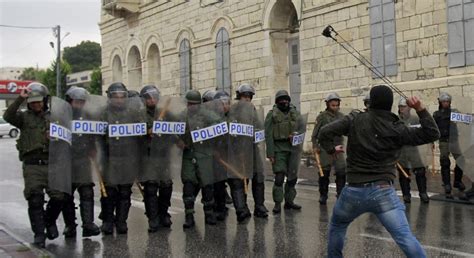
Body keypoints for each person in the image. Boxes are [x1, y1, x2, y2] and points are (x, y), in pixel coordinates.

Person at [318, 85, 439, 257]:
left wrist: (331, 149)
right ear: (390, 104)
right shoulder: (397, 128)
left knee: (338, 226)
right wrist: (420, 109)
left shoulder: (355, 119)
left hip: (353, 190)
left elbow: (324, 132)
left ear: (371, 102)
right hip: (383, 191)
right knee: (404, 237)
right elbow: (432, 133)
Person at [4, 82, 65, 247]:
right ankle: (39, 234)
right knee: (35, 199)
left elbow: (68, 137)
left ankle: (49, 222)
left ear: (45, 100)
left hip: (52, 163)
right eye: (33, 101)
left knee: (59, 196)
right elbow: (8, 117)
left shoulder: (55, 117)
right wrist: (19, 99)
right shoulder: (23, 118)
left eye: (39, 101)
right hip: (32, 165)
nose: (36, 104)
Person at [100, 82, 145, 235]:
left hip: (127, 158)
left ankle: (121, 221)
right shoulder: (103, 114)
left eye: (122, 96)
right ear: (110, 97)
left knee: (125, 192)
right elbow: (95, 136)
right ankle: (107, 220)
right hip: (109, 158)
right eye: (115, 97)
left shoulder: (132, 114)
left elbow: (140, 134)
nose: (119, 100)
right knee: (109, 192)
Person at [61, 87, 101, 238]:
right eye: (76, 102)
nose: (79, 105)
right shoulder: (61, 117)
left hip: (83, 159)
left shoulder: (89, 117)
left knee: (86, 191)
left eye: (81, 102)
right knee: (67, 195)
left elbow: (93, 135)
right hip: (66, 161)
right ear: (69, 102)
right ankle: (70, 225)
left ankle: (88, 224)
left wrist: (93, 148)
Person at [180, 90, 221, 228]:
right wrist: (178, 142)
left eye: (195, 104)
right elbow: (173, 132)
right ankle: (189, 215)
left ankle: (209, 213)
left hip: (204, 155)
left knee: (207, 185)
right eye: (190, 104)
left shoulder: (208, 115)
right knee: (189, 185)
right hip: (189, 155)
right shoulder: (181, 116)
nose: (192, 106)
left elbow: (220, 125)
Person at [139, 85, 174, 232]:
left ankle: (163, 213)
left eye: (155, 97)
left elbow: (174, 129)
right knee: (151, 187)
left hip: (163, 154)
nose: (152, 100)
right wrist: (147, 130)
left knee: (166, 185)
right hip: (148, 156)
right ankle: (153, 218)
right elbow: (133, 133)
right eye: (149, 98)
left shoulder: (166, 113)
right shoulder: (138, 115)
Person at [264, 90, 305, 213]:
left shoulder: (295, 114)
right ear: (277, 101)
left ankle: (289, 201)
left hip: (293, 149)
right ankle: (277, 203)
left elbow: (302, 128)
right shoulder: (272, 115)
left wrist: (296, 135)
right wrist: (270, 153)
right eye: (281, 99)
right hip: (279, 149)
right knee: (279, 177)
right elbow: (268, 134)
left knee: (292, 177)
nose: (284, 102)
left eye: (286, 99)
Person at [235, 84, 268, 218]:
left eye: (249, 96)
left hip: (253, 149)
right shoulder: (234, 110)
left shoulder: (253, 110)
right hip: (240, 151)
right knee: (242, 179)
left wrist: (257, 133)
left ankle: (259, 206)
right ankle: (242, 207)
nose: (247, 99)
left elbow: (259, 126)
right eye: (245, 96)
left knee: (258, 176)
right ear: (239, 96)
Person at [311, 92, 346, 205]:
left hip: (338, 147)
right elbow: (315, 134)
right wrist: (315, 146)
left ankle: (340, 193)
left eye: (337, 105)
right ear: (328, 104)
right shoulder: (322, 117)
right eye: (333, 105)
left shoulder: (342, 117)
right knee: (324, 172)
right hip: (326, 148)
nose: (335, 107)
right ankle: (323, 194)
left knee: (341, 171)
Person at [433, 92, 466, 199]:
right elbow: (433, 128)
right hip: (443, 140)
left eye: (447, 101)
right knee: (444, 161)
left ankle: (457, 181)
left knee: (461, 160)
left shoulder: (454, 112)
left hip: (454, 140)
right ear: (440, 102)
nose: (445, 103)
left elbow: (465, 120)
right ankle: (447, 184)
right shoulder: (437, 114)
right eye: (443, 101)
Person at [397, 97, 430, 203]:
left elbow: (424, 132)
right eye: (400, 107)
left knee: (420, 172)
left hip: (415, 150)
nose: (402, 108)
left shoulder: (416, 118)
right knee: (403, 174)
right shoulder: (396, 121)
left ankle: (423, 193)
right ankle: (406, 195)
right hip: (402, 151)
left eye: (404, 106)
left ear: (409, 108)